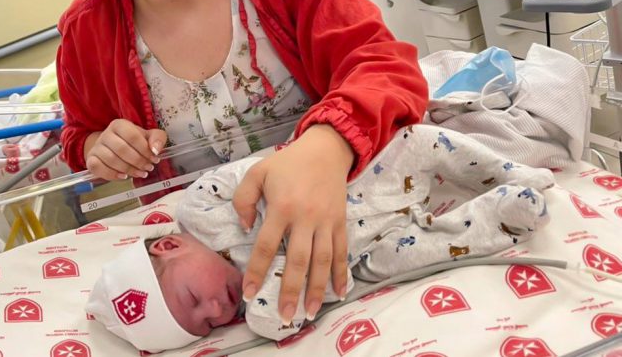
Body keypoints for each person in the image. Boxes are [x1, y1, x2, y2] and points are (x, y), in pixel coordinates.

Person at [52, 0, 429, 326]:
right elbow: (78, 135)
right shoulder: (87, 32)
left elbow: (382, 67)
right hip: (221, 266)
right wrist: (99, 147)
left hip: (345, 203)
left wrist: (328, 142)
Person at [85, 125, 555, 352]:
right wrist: (268, 308)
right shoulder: (255, 305)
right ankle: (503, 214)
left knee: (419, 140)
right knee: (422, 252)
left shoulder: (201, 210)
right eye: (204, 327)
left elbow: (264, 170)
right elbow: (292, 312)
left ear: (169, 245)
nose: (215, 313)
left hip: (362, 182)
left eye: (192, 298)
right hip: (368, 251)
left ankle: (506, 171)